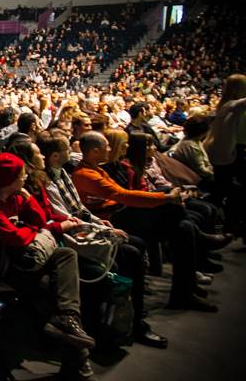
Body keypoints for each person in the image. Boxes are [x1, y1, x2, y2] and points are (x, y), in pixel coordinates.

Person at [0, 153, 96, 378]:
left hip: (23, 259)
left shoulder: (15, 197)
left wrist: (28, 201)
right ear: (10, 179)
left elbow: (40, 220)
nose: (25, 178)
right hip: (1, 267)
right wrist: (41, 232)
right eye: (22, 175)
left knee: (66, 255)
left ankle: (67, 319)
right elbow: (17, 237)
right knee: (54, 286)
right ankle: (77, 353)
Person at [36, 130, 167, 348]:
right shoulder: (51, 179)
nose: (74, 150)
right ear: (56, 156)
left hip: (84, 224)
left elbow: (79, 208)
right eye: (68, 149)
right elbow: (66, 216)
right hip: (72, 235)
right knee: (130, 253)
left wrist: (99, 222)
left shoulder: (64, 173)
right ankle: (123, 324)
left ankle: (132, 317)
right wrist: (102, 228)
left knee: (137, 244)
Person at [72, 132, 216, 311]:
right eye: (106, 146)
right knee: (174, 211)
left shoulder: (97, 169)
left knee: (184, 227)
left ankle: (185, 290)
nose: (111, 149)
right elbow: (121, 195)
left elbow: (122, 194)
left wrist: (164, 197)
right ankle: (185, 288)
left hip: (119, 212)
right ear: (94, 151)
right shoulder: (86, 174)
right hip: (110, 218)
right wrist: (165, 197)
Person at [204, 74, 246, 234]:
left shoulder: (225, 105)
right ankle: (227, 226)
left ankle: (229, 225)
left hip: (225, 154)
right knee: (224, 192)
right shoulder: (230, 106)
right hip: (226, 156)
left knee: (226, 191)